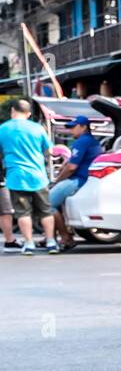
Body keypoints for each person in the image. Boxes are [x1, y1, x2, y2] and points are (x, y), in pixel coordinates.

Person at [0, 98, 57, 255]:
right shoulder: (37, 128)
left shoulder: (3, 129)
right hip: (38, 176)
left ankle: (29, 244)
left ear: (12, 111)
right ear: (29, 113)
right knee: (46, 211)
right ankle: (51, 242)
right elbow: (50, 151)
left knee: (23, 212)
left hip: (16, 177)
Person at [48, 115, 102, 249]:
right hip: (86, 179)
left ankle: (66, 238)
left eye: (74, 127)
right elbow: (71, 162)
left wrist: (57, 181)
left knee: (47, 204)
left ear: (83, 127)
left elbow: (72, 168)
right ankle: (51, 237)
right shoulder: (91, 141)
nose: (71, 131)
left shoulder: (82, 142)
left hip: (78, 179)